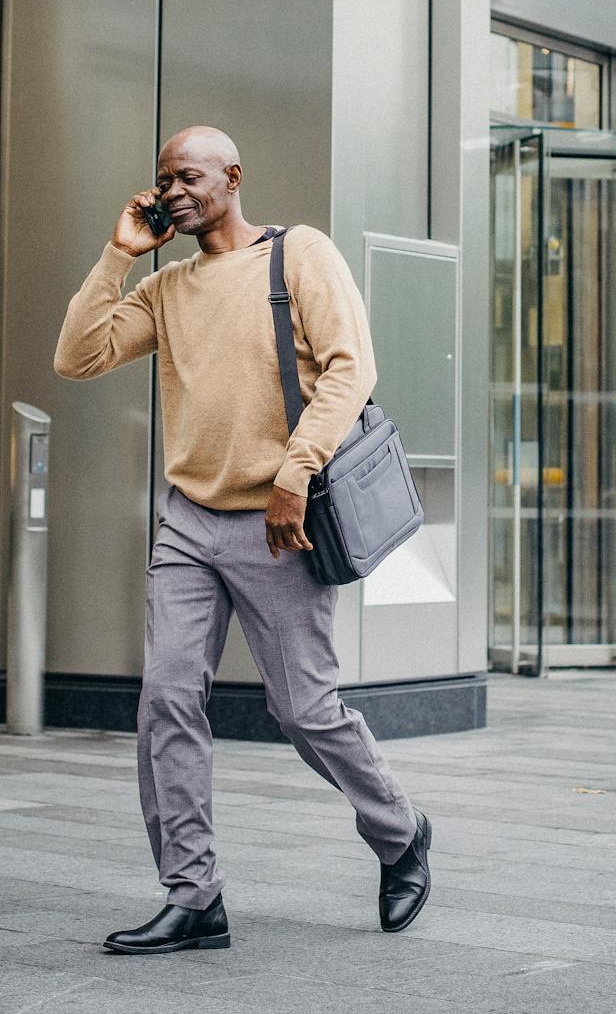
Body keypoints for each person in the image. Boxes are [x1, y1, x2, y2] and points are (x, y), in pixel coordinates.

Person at [53, 125, 431, 954]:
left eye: (188, 176)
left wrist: (296, 473)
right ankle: (193, 895)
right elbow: (77, 357)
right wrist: (119, 256)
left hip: (279, 523)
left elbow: (349, 368)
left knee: (303, 709)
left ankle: (400, 833)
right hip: (189, 521)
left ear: (232, 176)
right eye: (162, 181)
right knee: (166, 701)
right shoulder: (165, 288)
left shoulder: (299, 255)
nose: (173, 192)